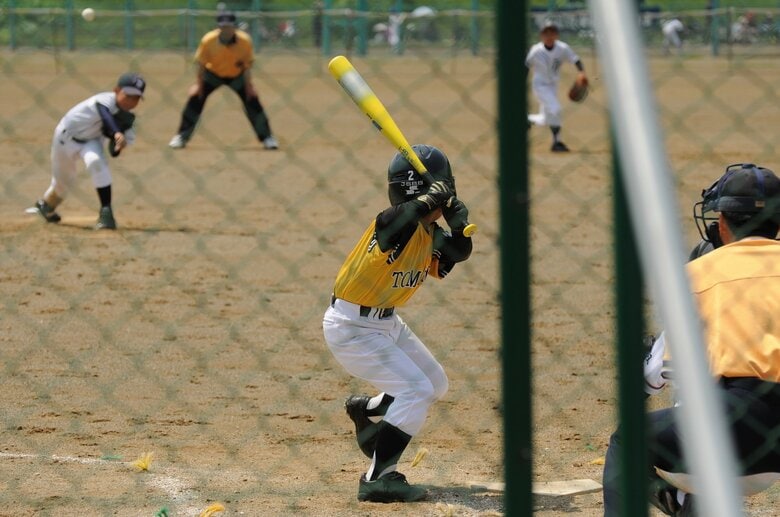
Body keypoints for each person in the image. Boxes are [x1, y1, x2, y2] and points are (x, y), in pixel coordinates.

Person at [602, 163, 780, 516]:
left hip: (735, 430)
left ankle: (684, 500)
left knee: (630, 440)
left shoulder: (699, 273)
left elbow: (660, 372)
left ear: (723, 224)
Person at [322, 145, 473, 503]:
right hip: (352, 328)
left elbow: (456, 253)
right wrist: (427, 199)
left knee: (435, 384)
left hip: (387, 323)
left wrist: (459, 228)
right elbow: (395, 220)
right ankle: (378, 479)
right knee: (415, 391)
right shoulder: (393, 224)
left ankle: (367, 410)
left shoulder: (426, 231)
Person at [27, 72, 146, 230]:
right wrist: (116, 132)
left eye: (137, 98)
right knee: (62, 183)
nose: (132, 101)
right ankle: (46, 206)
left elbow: (114, 152)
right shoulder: (104, 99)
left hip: (91, 142)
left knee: (96, 161)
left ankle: (106, 214)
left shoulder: (129, 122)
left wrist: (118, 145)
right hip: (64, 138)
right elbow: (105, 114)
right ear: (117, 90)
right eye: (129, 95)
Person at [168, 11, 278, 150]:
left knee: (252, 100)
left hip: (237, 75)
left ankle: (267, 137)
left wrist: (249, 86)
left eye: (229, 27)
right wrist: (198, 85)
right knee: (195, 98)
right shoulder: (208, 40)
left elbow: (247, 65)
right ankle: (181, 136)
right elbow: (201, 65)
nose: (225, 30)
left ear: (234, 27)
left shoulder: (244, 41)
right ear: (217, 27)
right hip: (213, 73)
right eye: (222, 26)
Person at [526, 21, 587, 153]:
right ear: (541, 36)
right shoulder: (536, 50)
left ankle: (525, 119)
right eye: (545, 33)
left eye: (552, 33)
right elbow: (526, 66)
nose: (549, 36)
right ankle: (557, 143)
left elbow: (575, 59)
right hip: (540, 85)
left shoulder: (562, 48)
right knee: (556, 109)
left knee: (546, 118)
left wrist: (581, 72)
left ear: (556, 35)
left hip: (553, 85)